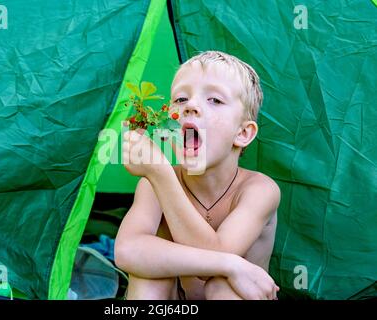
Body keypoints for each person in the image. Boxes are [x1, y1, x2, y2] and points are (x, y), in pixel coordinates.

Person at [115, 50, 280, 300]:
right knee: (147, 276)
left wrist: (160, 174)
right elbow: (127, 250)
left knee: (222, 287)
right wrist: (233, 266)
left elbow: (220, 251)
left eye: (214, 100)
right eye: (181, 99)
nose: (191, 105)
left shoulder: (260, 190)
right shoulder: (152, 184)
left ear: (243, 133)